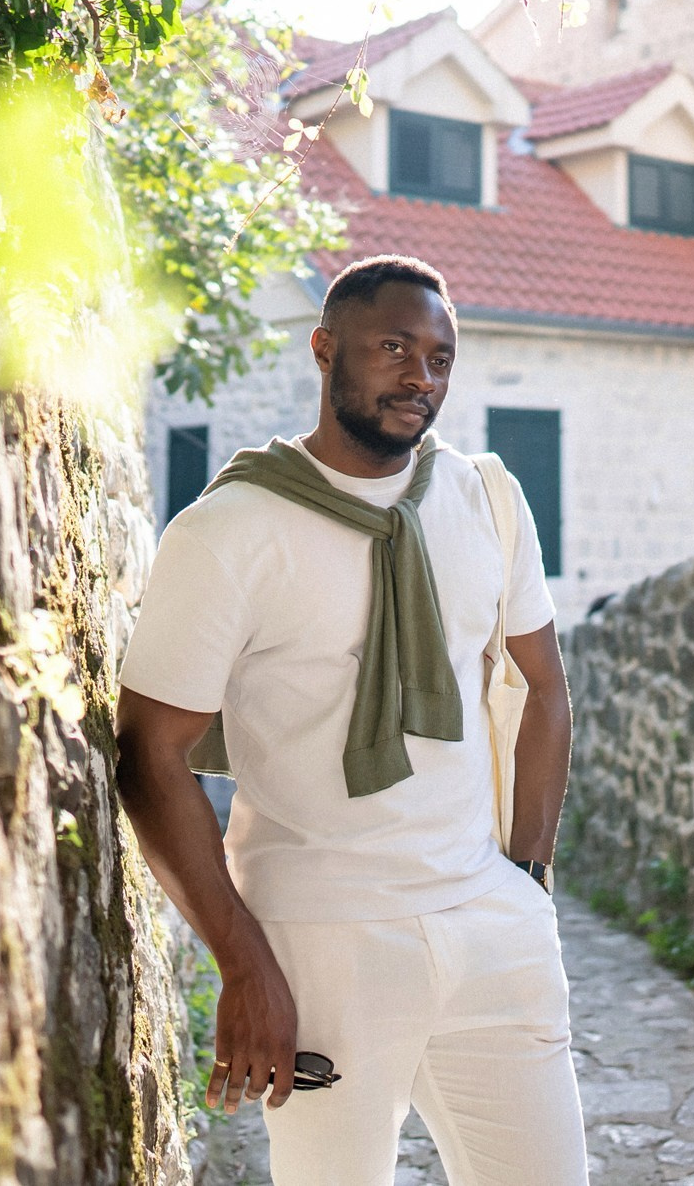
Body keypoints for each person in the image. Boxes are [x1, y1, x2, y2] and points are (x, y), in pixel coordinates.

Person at [115, 254, 585, 1186]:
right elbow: (148, 755)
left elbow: (543, 686)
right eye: (394, 348)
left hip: (490, 923)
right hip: (323, 940)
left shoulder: (486, 498)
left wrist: (526, 880)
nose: (421, 378)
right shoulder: (230, 530)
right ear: (325, 349)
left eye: (441, 358)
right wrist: (244, 962)